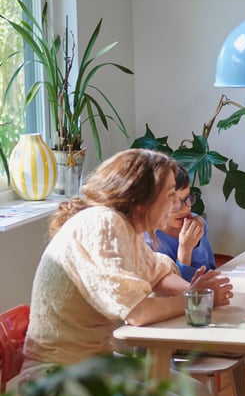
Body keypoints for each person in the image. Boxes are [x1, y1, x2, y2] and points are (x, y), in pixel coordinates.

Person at [21, 149, 234, 383]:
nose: (177, 204)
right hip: (57, 376)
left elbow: (158, 274)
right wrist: (194, 300)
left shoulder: (125, 226)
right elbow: (138, 313)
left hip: (93, 362)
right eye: (171, 195)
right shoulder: (104, 223)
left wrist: (197, 292)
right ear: (145, 199)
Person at [148, 162, 216, 280]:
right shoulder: (146, 240)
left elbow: (209, 272)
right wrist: (185, 249)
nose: (185, 208)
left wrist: (195, 245)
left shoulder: (197, 225)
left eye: (187, 199)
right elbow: (174, 290)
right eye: (173, 202)